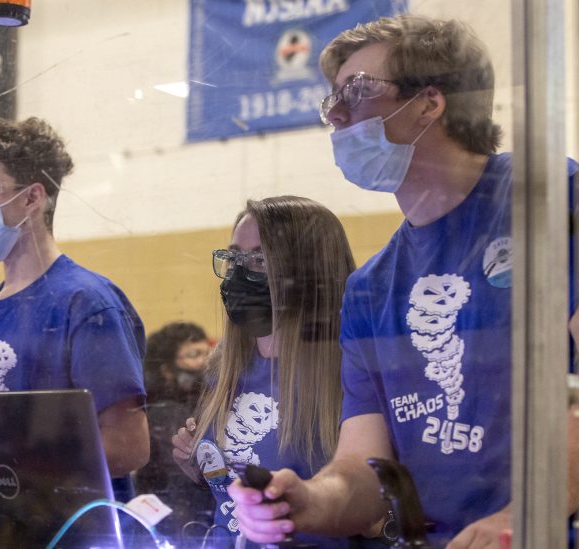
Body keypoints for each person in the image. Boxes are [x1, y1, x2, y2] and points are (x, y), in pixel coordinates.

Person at [228, 14, 579, 548]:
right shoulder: (371, 287)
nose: (338, 113)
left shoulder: (548, 197)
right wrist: (310, 500)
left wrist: (526, 516)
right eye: (332, 100)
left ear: (429, 103)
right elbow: (364, 467)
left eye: (359, 91)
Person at [0, 117, 149, 500]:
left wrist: (17, 464)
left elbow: (128, 447)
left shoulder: (88, 304)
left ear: (33, 198)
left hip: (75, 530)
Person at [172, 196, 356, 547]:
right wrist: (198, 467)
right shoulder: (226, 366)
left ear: (307, 272)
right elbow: (232, 486)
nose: (239, 275)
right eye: (234, 258)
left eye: (258, 259)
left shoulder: (347, 373)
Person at [134, 321, 215, 537]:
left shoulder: (208, 406)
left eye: (208, 352)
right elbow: (180, 480)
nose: (205, 361)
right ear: (167, 370)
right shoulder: (161, 413)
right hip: (177, 526)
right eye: (194, 354)